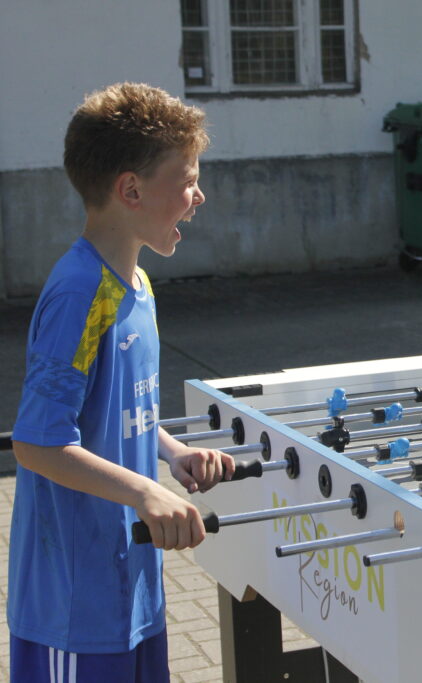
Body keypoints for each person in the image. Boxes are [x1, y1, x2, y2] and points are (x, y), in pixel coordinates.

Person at [8, 83, 235, 683]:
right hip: (73, 611)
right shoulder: (82, 292)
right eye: (186, 179)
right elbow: (36, 442)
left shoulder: (135, 284)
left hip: (132, 592)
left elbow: (109, 408)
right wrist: (144, 492)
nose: (198, 194)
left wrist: (172, 452)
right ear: (131, 189)